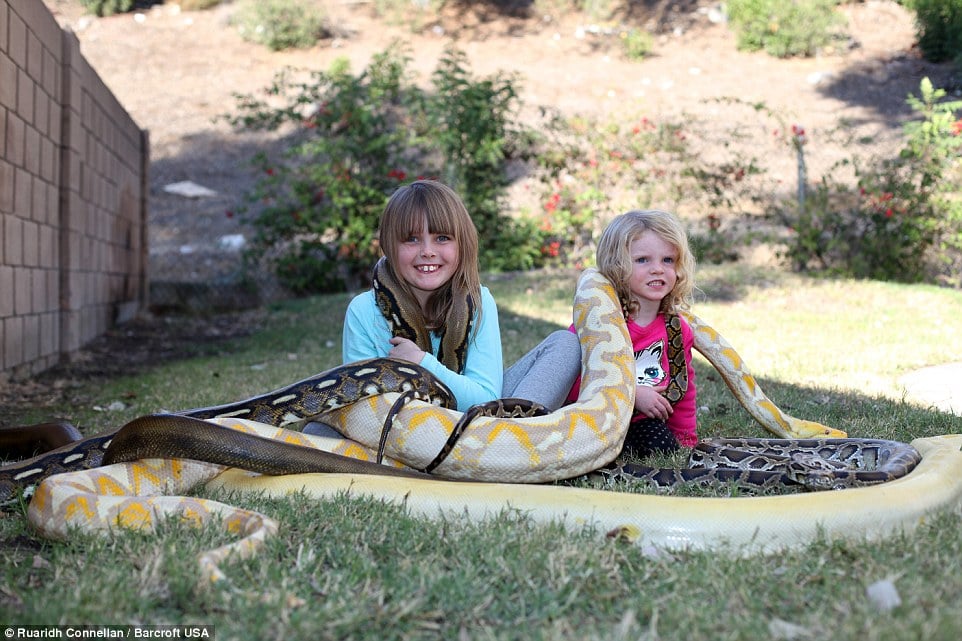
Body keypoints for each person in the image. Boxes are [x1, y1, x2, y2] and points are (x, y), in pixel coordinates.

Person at [340, 179, 580, 413]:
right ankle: (512, 445)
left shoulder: (477, 301)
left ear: (462, 244)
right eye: (412, 239)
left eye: (442, 238)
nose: (427, 252)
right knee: (323, 427)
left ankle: (507, 441)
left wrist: (421, 364)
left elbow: (486, 399)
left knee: (565, 345)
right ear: (388, 246)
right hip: (402, 430)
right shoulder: (364, 311)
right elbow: (364, 409)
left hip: (483, 421)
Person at [566, 209, 698, 456]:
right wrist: (632, 394)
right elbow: (570, 383)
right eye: (642, 260)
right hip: (591, 419)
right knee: (600, 448)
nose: (657, 269)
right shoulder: (596, 324)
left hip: (640, 424)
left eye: (667, 260)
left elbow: (685, 390)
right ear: (617, 267)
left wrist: (686, 441)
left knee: (662, 445)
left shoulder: (677, 331)